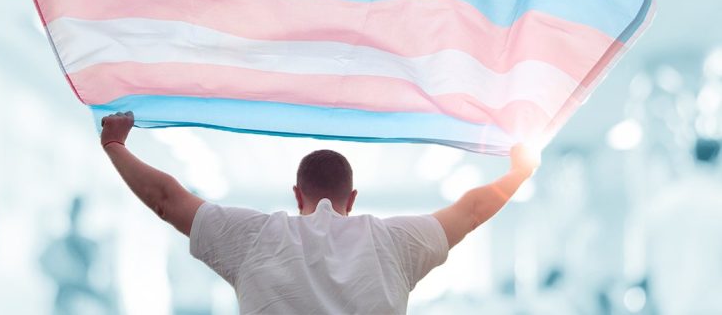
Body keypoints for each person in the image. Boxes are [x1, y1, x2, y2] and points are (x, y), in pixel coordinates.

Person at [100, 111, 539, 314]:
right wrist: (520, 171)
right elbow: (473, 210)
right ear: (352, 199)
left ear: (297, 195)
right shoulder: (396, 244)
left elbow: (167, 200)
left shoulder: (255, 239)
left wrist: (116, 145)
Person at [641, 137, 722, 315]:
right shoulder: (718, 203)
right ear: (718, 158)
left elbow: (646, 262)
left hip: (670, 307)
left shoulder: (661, 203)